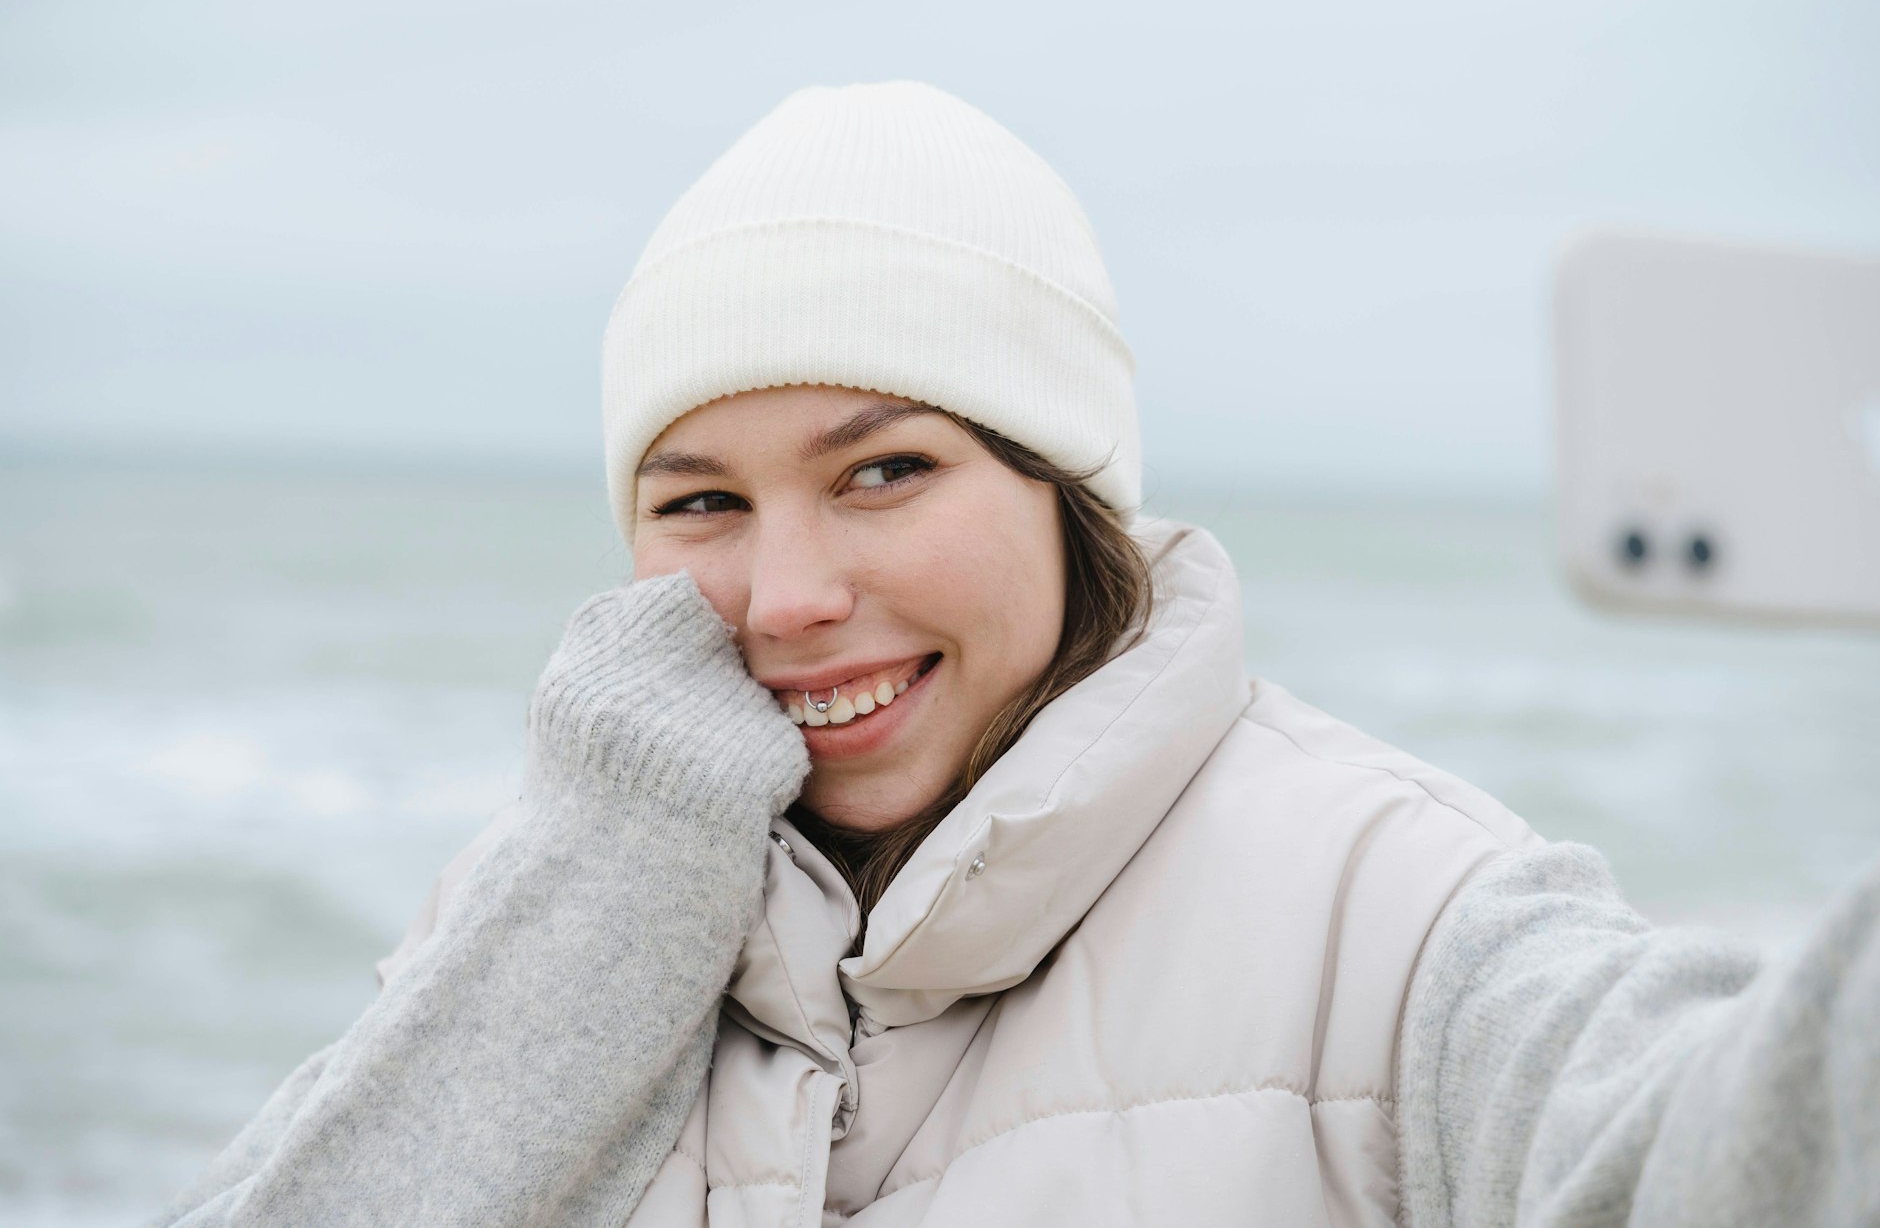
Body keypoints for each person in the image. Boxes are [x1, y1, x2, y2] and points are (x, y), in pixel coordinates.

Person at [152, 80, 1878, 1227]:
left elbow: (1707, 1146)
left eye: (884, 469)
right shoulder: (552, 903)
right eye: (698, 502)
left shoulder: (1396, 904)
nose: (785, 593)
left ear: (1066, 489)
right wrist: (601, 888)